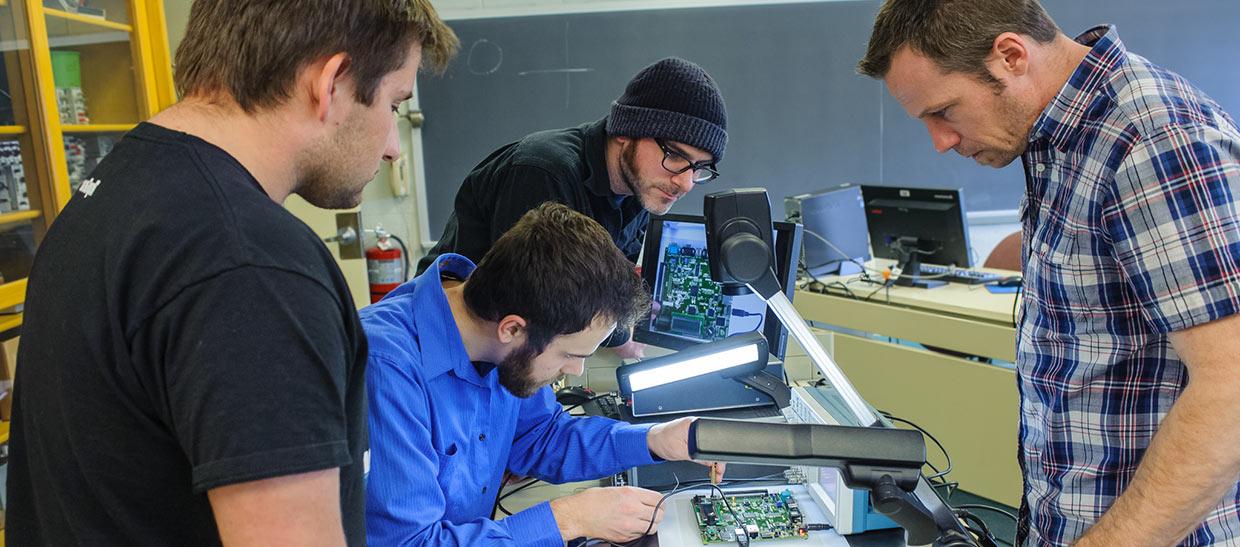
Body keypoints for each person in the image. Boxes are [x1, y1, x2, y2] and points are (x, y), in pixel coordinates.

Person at [4, 2, 458, 545]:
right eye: (393, 103)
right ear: (330, 81)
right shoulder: (253, 267)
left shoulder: (117, 188)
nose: (390, 147)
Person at [859, 1, 1240, 545]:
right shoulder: (1058, 140)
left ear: (1011, 56)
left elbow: (1232, 387)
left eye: (943, 111)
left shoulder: (1152, 139)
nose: (940, 141)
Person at [363, 202, 723, 545]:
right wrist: (570, 518)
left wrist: (655, 439)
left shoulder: (508, 334)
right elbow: (410, 542)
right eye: (569, 354)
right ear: (513, 329)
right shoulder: (385, 366)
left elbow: (541, 436)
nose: (576, 369)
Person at [416, 57, 728, 357]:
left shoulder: (643, 188)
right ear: (626, 130)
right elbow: (535, 305)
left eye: (700, 168)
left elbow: (613, 286)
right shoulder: (542, 173)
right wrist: (618, 335)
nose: (685, 183)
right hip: (447, 347)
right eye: (675, 155)